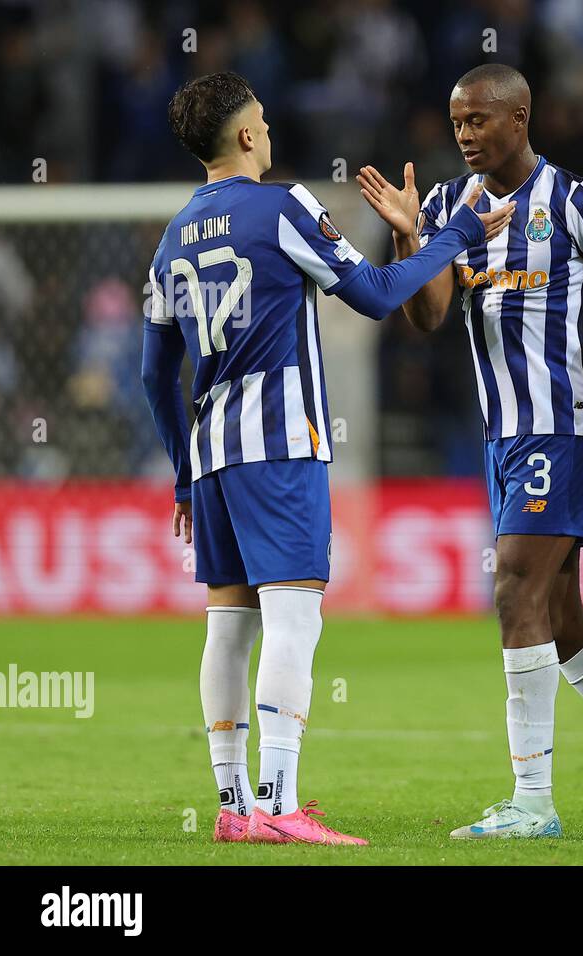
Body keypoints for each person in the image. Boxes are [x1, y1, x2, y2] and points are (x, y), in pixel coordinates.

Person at [142, 71, 513, 846]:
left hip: (211, 454)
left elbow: (154, 372)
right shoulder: (284, 206)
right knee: (293, 616)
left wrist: (182, 467)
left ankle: (235, 805)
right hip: (278, 443)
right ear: (247, 136)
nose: (271, 131)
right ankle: (278, 804)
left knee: (229, 623)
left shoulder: (172, 236)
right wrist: (455, 237)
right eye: (265, 120)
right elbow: (377, 295)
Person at [356, 63, 583, 840]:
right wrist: (411, 235)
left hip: (566, 424)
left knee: (515, 590)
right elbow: (427, 315)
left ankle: (532, 801)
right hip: (502, 434)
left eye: (478, 121)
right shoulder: (452, 204)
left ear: (519, 118)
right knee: (559, 612)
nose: (464, 135)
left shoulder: (577, 202)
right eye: (456, 124)